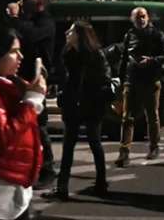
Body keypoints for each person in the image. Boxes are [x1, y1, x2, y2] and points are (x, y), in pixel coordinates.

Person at [42, 21, 113, 201]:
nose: (67, 33)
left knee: (95, 144)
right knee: (67, 148)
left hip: (91, 106)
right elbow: (65, 79)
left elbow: (104, 79)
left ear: (81, 35)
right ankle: (62, 187)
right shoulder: (68, 53)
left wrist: (96, 99)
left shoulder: (96, 56)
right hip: (72, 106)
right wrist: (62, 95)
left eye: (72, 31)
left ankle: (100, 183)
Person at [0, 25, 46, 220]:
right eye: (13, 51)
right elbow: (3, 137)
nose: (20, 57)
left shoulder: (6, 88)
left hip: (12, 194)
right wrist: (32, 101)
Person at [115, 7, 164, 167]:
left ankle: (154, 146)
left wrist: (152, 60)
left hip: (150, 80)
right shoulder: (129, 35)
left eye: (143, 16)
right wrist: (122, 78)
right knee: (127, 118)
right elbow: (124, 57)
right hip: (131, 81)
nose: (141, 20)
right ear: (132, 19)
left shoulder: (157, 34)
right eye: (138, 17)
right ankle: (124, 152)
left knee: (152, 116)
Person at [14, 0, 56, 189]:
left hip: (35, 79)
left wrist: (14, 17)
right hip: (24, 77)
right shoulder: (32, 21)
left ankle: (47, 168)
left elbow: (30, 36)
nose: (21, 1)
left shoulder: (45, 22)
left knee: (39, 124)